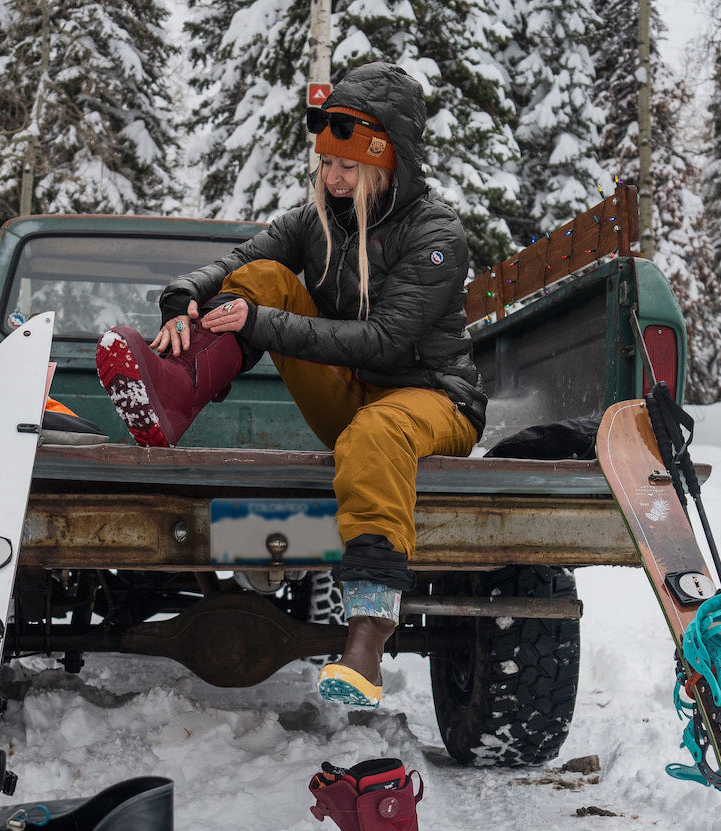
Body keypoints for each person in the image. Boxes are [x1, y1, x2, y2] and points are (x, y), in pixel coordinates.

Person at [96, 61, 486, 712]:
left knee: (375, 428)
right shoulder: (317, 221)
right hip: (352, 397)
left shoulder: (435, 234)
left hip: (433, 398)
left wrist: (264, 324)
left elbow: (388, 341)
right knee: (265, 278)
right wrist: (184, 296)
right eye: (325, 163)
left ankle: (365, 635)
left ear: (387, 161)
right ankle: (178, 387)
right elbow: (240, 264)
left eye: (346, 166)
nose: (331, 178)